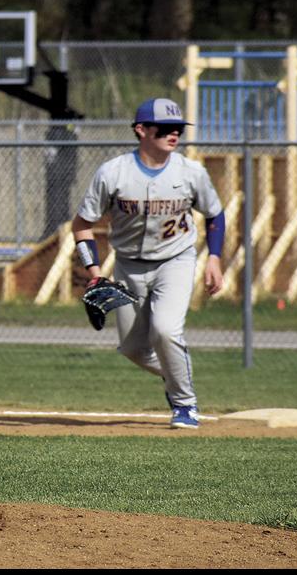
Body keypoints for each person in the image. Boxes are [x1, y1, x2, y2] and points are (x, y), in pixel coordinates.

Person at [70, 98, 227, 429]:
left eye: (179, 130)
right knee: (133, 349)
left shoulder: (190, 172)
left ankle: (185, 405)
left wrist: (214, 257)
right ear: (141, 130)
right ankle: (175, 377)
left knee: (166, 330)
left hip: (176, 259)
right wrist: (95, 273)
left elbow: (214, 215)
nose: (174, 135)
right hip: (128, 264)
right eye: (165, 129)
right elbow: (81, 225)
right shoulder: (113, 173)